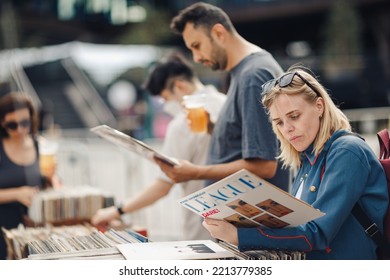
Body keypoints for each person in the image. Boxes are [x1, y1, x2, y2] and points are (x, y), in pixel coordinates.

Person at [202, 65, 389, 259]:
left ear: (319, 106)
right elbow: (297, 226)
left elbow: (316, 233)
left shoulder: (346, 151)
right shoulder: (306, 157)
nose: (287, 129)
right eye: (279, 122)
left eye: (294, 116)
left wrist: (239, 236)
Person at [154, 2, 290, 190]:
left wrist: (195, 172)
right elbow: (244, 142)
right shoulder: (242, 72)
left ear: (218, 33)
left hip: (254, 217)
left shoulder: (253, 75)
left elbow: (264, 166)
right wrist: (211, 127)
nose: (196, 58)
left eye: (197, 46)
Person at [91, 53, 226, 240]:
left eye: (165, 98)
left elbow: (163, 185)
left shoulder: (181, 124)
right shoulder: (226, 103)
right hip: (236, 217)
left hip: (203, 223)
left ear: (179, 86)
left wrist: (117, 210)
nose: (165, 105)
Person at [0, 92, 44, 259]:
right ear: (2, 123)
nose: (19, 129)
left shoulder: (38, 145)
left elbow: (44, 184)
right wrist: (18, 193)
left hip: (33, 231)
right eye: (12, 125)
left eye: (24, 123)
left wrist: (52, 178)